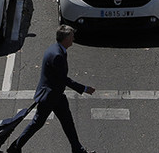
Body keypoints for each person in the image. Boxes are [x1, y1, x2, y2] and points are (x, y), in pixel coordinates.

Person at [7, 25, 96, 153]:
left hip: (55, 95)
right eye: (72, 36)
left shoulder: (56, 49)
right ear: (65, 38)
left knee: (67, 122)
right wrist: (84, 88)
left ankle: (77, 149)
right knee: (38, 123)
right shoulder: (57, 55)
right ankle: (15, 147)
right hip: (50, 96)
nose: (73, 38)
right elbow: (63, 79)